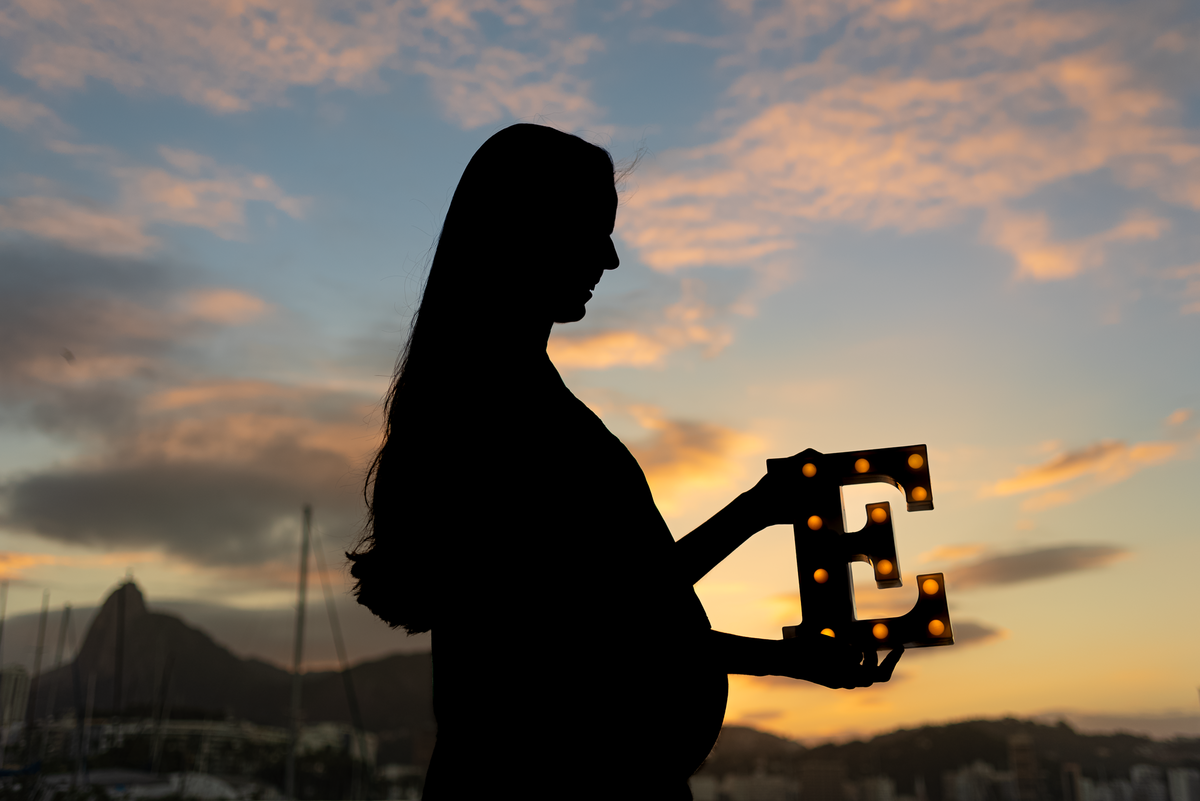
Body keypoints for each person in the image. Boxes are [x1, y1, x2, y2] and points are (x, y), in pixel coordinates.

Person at [348, 123, 901, 800]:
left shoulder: (500, 403)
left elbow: (627, 594)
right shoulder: (516, 419)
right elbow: (600, 630)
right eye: (594, 229)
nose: (610, 259)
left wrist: (758, 509)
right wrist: (786, 656)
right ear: (530, 231)